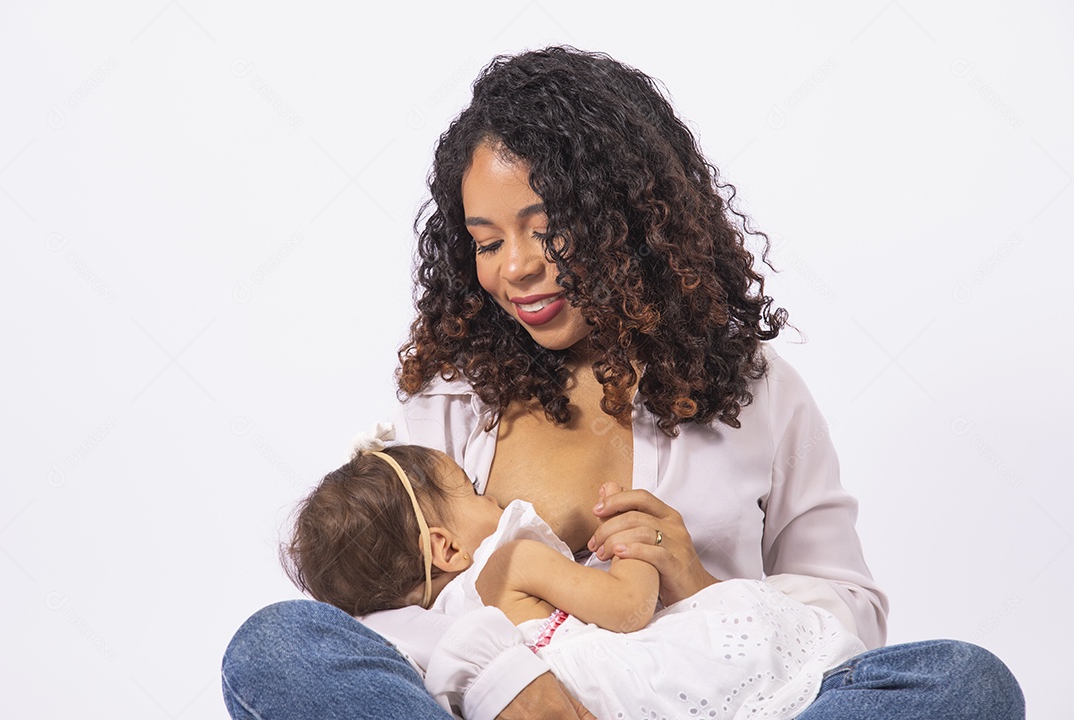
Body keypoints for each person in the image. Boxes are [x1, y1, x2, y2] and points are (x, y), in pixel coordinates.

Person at [222, 46, 1024, 719]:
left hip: (702, 703)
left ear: (628, 219)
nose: (517, 268)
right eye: (487, 241)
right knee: (278, 644)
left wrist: (696, 580)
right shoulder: (454, 399)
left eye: (544, 229)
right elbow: (389, 612)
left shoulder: (757, 394)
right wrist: (520, 689)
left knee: (965, 683)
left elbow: (852, 616)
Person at [283, 427, 869, 720]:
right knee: (272, 643)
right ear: (444, 546)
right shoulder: (507, 560)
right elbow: (627, 611)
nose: (490, 494)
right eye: (472, 489)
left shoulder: (422, 631)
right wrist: (631, 548)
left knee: (949, 673)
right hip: (610, 692)